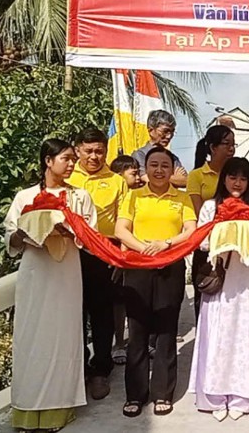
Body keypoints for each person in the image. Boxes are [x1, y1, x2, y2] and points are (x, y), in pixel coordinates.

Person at [3, 139, 97, 432]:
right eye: (66, 158)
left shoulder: (80, 196)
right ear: (48, 161)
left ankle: (60, 408)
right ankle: (27, 410)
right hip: (36, 272)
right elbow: (10, 237)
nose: (71, 164)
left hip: (67, 272)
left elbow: (90, 236)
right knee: (30, 336)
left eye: (72, 159)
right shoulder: (25, 196)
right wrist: (27, 230)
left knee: (64, 335)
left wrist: (67, 231)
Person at [115, 147, 197, 418]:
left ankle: (163, 392)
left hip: (170, 267)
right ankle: (135, 394)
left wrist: (166, 244)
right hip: (138, 267)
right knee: (137, 331)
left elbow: (191, 231)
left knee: (165, 330)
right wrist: (145, 249)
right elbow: (120, 230)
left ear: (172, 170)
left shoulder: (182, 198)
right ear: (145, 169)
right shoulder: (133, 196)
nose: (159, 170)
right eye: (153, 165)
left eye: (165, 165)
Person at [190, 157, 249, 421]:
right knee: (217, 335)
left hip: (246, 283)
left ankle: (242, 396)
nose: (238, 183)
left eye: (243, 178)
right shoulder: (210, 208)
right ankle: (213, 395)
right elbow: (201, 242)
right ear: (223, 179)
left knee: (244, 335)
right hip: (220, 279)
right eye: (233, 177)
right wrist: (226, 236)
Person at [67, 128, 129, 400]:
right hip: (70, 252)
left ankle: (101, 370)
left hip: (105, 252)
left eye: (99, 151)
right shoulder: (67, 176)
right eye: (88, 151)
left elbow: (125, 221)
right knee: (73, 313)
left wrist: (120, 257)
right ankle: (78, 369)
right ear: (77, 150)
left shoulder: (117, 181)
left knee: (102, 313)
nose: (94, 156)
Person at [189, 125, 237, 318]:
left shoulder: (235, 175)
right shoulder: (197, 176)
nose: (231, 149)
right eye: (226, 144)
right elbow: (198, 211)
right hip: (207, 243)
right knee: (206, 295)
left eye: (233, 144)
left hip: (234, 245)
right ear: (212, 147)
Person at [108, 155, 143, 365]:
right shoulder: (117, 196)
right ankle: (119, 343)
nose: (138, 178)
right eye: (134, 174)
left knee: (138, 297)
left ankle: (141, 340)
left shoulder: (141, 196)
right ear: (119, 176)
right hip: (115, 250)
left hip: (138, 251)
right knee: (118, 299)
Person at [132, 110, 188, 187]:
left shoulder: (173, 158)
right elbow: (148, 179)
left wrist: (157, 176)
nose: (169, 136)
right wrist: (174, 178)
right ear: (151, 130)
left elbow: (185, 181)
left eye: (172, 132)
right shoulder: (140, 155)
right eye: (165, 131)